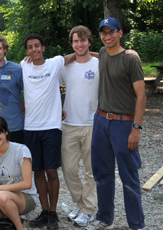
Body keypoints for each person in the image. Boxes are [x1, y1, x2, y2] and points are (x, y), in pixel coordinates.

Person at [90, 17, 146, 230]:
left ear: (120, 33)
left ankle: (137, 224)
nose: (107, 36)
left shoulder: (130, 60)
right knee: (102, 173)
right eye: (103, 33)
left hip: (124, 124)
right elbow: (94, 55)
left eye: (111, 31)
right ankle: (105, 217)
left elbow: (141, 96)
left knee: (129, 177)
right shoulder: (103, 53)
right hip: (101, 121)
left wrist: (136, 129)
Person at [21, 33, 65, 230]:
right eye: (30, 47)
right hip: (31, 127)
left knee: (51, 171)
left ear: (43, 47)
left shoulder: (55, 63)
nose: (34, 49)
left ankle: (54, 213)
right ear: (27, 51)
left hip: (51, 127)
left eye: (37, 46)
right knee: (37, 171)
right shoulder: (24, 66)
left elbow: (80, 54)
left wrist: (107, 53)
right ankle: (45, 211)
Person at [59, 26, 98, 227]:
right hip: (69, 124)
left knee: (91, 171)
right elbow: (48, 85)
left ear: (89, 42)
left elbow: (117, 57)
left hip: (93, 123)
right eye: (75, 41)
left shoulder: (100, 63)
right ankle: (81, 203)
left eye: (83, 40)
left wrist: (129, 52)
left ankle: (88, 209)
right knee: (69, 169)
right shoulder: (65, 66)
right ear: (71, 43)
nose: (79, 44)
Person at [0, 117, 38, 230]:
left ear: (6, 132)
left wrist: (1, 187)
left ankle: (19, 227)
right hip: (5, 197)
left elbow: (27, 184)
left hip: (26, 196)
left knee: (1, 195)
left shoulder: (21, 150)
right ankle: (10, 213)